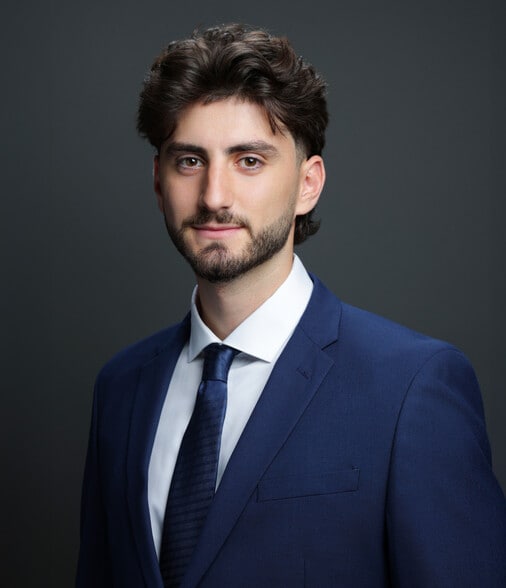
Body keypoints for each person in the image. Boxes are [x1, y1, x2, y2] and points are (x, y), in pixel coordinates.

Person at [76, 23, 506, 588]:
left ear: (308, 184)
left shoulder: (412, 388)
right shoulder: (121, 388)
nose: (214, 196)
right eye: (190, 161)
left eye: (249, 161)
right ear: (159, 181)